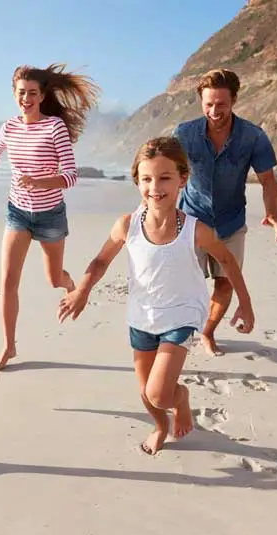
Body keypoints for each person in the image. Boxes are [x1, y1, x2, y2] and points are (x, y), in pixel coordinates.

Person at [58, 137, 255, 455]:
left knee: (161, 394)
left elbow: (228, 261)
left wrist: (245, 303)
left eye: (165, 178)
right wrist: (82, 289)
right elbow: (100, 260)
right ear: (137, 181)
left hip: (182, 315)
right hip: (142, 317)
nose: (155, 187)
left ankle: (180, 399)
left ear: (182, 179)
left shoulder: (196, 229)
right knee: (147, 395)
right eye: (147, 179)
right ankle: (161, 426)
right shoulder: (127, 225)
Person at [0, 63, 99, 369]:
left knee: (53, 279)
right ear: (14, 94)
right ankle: (9, 346)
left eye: (32, 93)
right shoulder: (9, 127)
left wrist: (39, 182)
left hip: (50, 216)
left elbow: (71, 175)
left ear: (42, 95)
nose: (26, 98)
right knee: (8, 281)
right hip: (18, 214)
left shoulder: (54, 127)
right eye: (21, 93)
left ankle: (69, 282)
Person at [173, 68, 277, 357]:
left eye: (221, 104)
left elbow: (268, 180)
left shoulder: (253, 136)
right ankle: (182, 331)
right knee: (188, 283)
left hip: (231, 221)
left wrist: (272, 213)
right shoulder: (184, 133)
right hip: (191, 220)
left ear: (234, 100)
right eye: (208, 103)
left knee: (225, 283)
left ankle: (207, 333)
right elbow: (166, 171)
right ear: (200, 101)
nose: (214, 110)